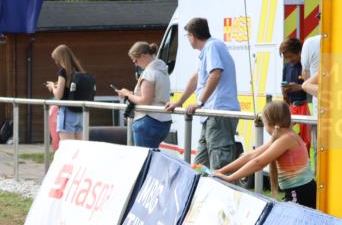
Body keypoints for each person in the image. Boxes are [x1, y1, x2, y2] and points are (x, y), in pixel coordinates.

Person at [165, 17, 240, 169]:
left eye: (187, 36)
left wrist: (200, 102)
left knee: (219, 166)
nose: (188, 40)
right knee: (199, 166)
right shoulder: (210, 48)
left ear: (192, 36)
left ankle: (221, 191)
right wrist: (180, 102)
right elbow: (197, 78)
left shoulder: (212, 47)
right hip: (210, 114)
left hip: (218, 112)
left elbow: (216, 73)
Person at [214, 100, 316, 208]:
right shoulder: (283, 136)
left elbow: (259, 162)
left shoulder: (286, 139)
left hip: (301, 192)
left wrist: (231, 178)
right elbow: (251, 155)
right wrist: (221, 171)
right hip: (299, 191)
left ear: (269, 123)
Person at [117, 42, 172, 149]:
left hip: (148, 121)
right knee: (153, 157)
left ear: (143, 55)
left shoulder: (149, 73)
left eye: (135, 60)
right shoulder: (162, 70)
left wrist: (128, 94)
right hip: (164, 121)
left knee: (143, 159)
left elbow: (145, 100)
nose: (135, 64)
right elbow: (153, 96)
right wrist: (131, 94)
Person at [46, 44, 86, 141]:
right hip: (80, 114)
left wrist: (52, 87)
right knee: (78, 150)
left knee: (67, 149)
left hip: (67, 113)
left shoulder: (63, 72)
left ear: (61, 59)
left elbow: (59, 95)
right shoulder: (79, 71)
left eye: (56, 59)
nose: (56, 62)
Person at [279, 37, 311, 150]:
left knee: (306, 139)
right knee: (289, 137)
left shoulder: (305, 66)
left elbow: (314, 86)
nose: (289, 60)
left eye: (291, 56)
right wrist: (284, 91)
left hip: (305, 106)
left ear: (299, 52)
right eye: (286, 57)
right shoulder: (286, 67)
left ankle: (306, 164)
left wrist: (299, 87)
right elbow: (283, 83)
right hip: (292, 107)